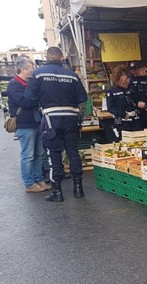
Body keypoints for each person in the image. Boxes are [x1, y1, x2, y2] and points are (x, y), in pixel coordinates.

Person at [24, 47, 88, 202]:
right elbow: (82, 97)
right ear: (61, 57)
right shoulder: (71, 75)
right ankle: (78, 190)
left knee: (54, 155)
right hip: (70, 118)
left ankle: (57, 192)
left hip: (51, 119)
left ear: (47, 57)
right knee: (73, 152)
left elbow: (29, 97)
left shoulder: (38, 74)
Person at [6, 56, 51, 193]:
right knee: (28, 155)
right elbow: (25, 102)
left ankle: (39, 180)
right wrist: (38, 99)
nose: (33, 72)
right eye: (31, 69)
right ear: (23, 69)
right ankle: (29, 183)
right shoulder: (14, 84)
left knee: (38, 154)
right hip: (24, 124)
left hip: (36, 122)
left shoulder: (29, 83)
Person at [107, 65, 143, 141]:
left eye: (126, 81)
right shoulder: (111, 91)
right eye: (122, 82)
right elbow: (110, 108)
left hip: (135, 119)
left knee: (138, 139)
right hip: (121, 120)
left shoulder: (132, 88)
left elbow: (137, 100)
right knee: (123, 140)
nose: (125, 83)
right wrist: (123, 115)